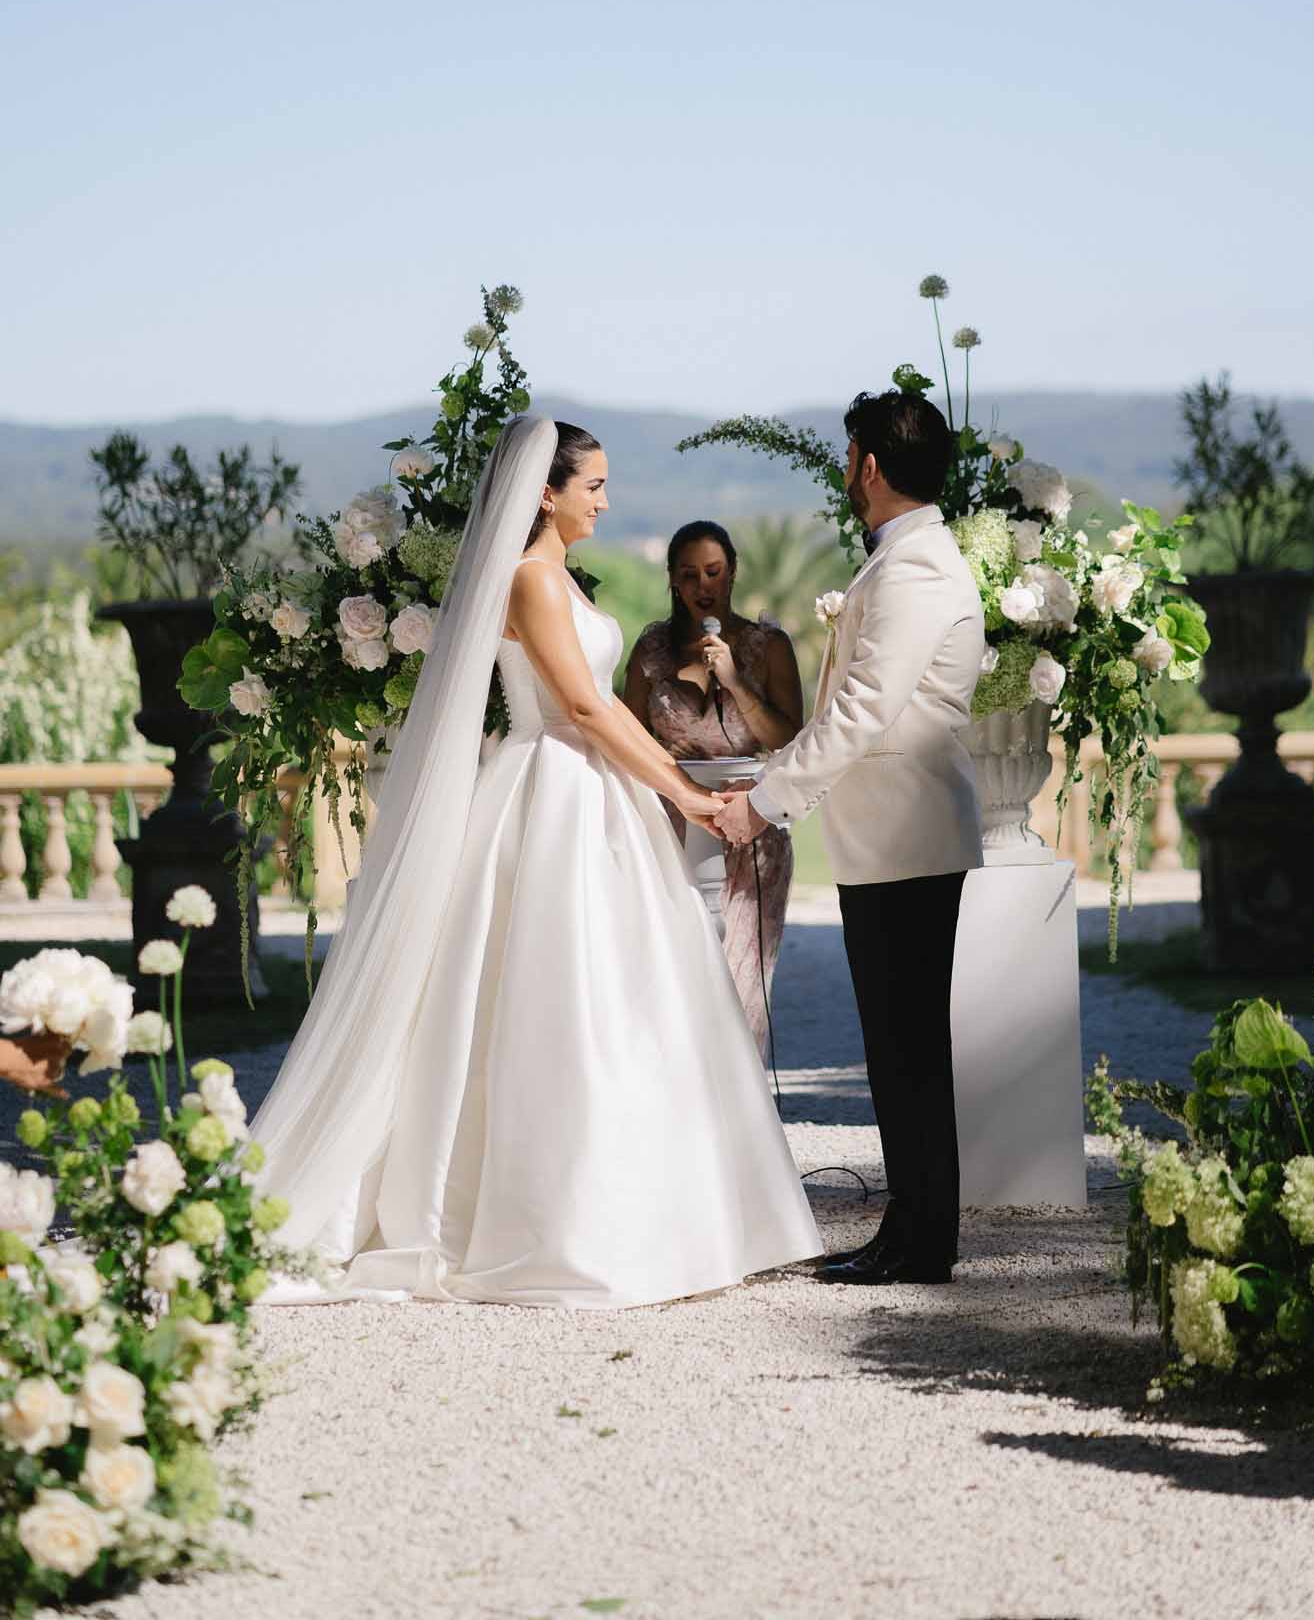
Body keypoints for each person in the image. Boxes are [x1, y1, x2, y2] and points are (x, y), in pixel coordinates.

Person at [251, 415, 821, 1308]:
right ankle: (559, 1220)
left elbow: (606, 711)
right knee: (559, 996)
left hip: (592, 791)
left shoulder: (557, 579)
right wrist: (683, 792)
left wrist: (671, 783)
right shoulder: (531, 580)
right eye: (592, 485)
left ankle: (669, 1213)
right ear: (545, 491)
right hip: (553, 786)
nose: (604, 499)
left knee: (628, 992)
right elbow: (586, 712)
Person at [717, 389, 984, 1286]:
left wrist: (765, 800)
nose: (845, 470)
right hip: (894, 836)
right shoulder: (907, 557)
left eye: (847, 455)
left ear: (868, 465)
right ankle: (908, 1232)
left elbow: (862, 710)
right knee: (897, 1044)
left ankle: (921, 1243)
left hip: (907, 835)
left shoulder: (914, 568)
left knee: (907, 1045)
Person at [623, 522, 803, 1054]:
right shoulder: (651, 649)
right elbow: (628, 734)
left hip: (750, 827)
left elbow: (790, 738)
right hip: (671, 830)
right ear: (673, 582)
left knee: (742, 979)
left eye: (713, 572)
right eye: (689, 575)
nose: (703, 585)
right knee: (671, 973)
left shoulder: (767, 646)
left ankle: (740, 1112)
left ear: (732, 572)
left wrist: (736, 683)